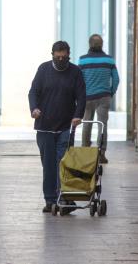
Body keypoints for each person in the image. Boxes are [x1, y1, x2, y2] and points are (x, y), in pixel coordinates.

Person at [28, 41, 86, 215]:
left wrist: (78, 115)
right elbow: (33, 92)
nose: (61, 59)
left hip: (66, 126)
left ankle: (65, 198)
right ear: (52, 54)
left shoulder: (75, 72)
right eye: (58, 56)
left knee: (64, 163)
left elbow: (81, 96)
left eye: (64, 57)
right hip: (45, 126)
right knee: (48, 165)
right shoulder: (43, 70)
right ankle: (50, 200)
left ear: (69, 55)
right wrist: (34, 108)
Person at [78, 34, 120, 164]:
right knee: (102, 125)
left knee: (87, 123)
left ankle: (85, 151)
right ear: (102, 45)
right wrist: (110, 93)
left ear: (90, 45)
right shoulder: (109, 60)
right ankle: (101, 154)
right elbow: (116, 79)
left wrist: (80, 96)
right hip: (104, 97)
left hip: (87, 98)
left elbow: (79, 81)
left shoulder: (82, 60)